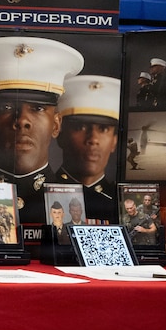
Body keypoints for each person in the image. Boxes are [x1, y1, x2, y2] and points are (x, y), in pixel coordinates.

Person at [0, 35, 84, 224]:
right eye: (6, 107)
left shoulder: (87, 205)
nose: (22, 120)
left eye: (38, 108)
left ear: (56, 125)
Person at [54, 75, 120, 222]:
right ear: (60, 135)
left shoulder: (121, 204)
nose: (93, 139)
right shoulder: (38, 197)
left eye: (103, 129)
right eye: (80, 127)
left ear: (114, 142)